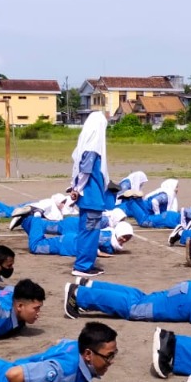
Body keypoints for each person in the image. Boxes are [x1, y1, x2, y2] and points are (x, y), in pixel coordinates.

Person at [69, 112, 113, 277]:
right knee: (90, 233)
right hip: (91, 198)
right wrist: (77, 188)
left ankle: (84, 264)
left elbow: (79, 170)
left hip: (87, 198)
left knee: (86, 232)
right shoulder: (93, 149)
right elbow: (85, 172)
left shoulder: (84, 147)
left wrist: (75, 188)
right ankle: (82, 266)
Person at [22, 213, 132, 259]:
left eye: (127, 239)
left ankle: (25, 220)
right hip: (68, 243)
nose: (124, 240)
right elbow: (90, 241)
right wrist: (99, 253)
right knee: (36, 247)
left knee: (46, 231)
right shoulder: (107, 238)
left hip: (69, 242)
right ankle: (34, 216)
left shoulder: (110, 236)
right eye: (124, 236)